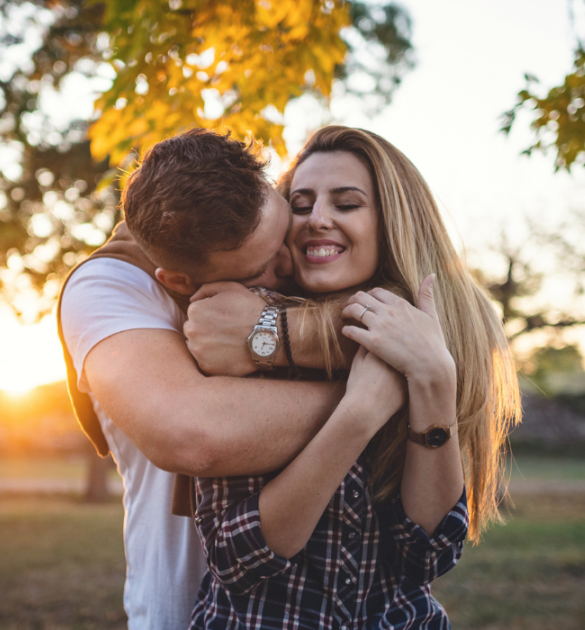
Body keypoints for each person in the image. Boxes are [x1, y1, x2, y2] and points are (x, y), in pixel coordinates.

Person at [187, 126, 521, 629]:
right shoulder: (246, 324)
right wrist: (358, 414)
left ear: (393, 220)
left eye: (346, 204)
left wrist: (432, 378)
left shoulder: (441, 335)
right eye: (300, 204)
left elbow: (428, 556)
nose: (318, 219)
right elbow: (237, 556)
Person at [58, 129, 367, 630]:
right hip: (179, 612)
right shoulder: (109, 285)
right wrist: (375, 397)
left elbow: (441, 329)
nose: (289, 262)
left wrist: (271, 331)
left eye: (282, 231)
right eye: (261, 268)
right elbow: (193, 434)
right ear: (178, 281)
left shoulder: (309, 238)